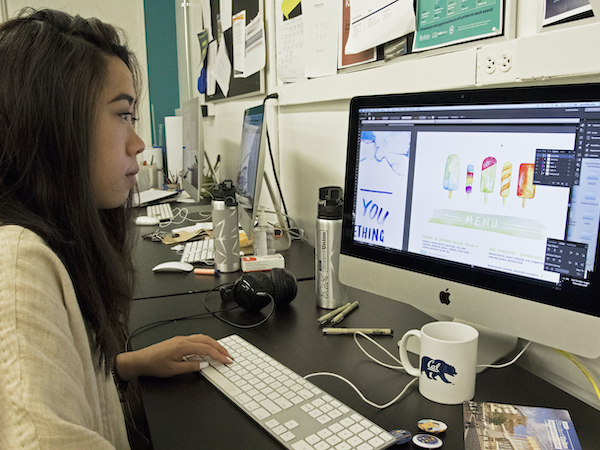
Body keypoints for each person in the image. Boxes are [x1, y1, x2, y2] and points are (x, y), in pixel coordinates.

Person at [0, 8, 231, 449]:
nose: (138, 143)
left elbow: (60, 380)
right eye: (123, 115)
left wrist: (127, 364)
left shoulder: (50, 236)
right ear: (56, 125)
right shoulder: (17, 266)